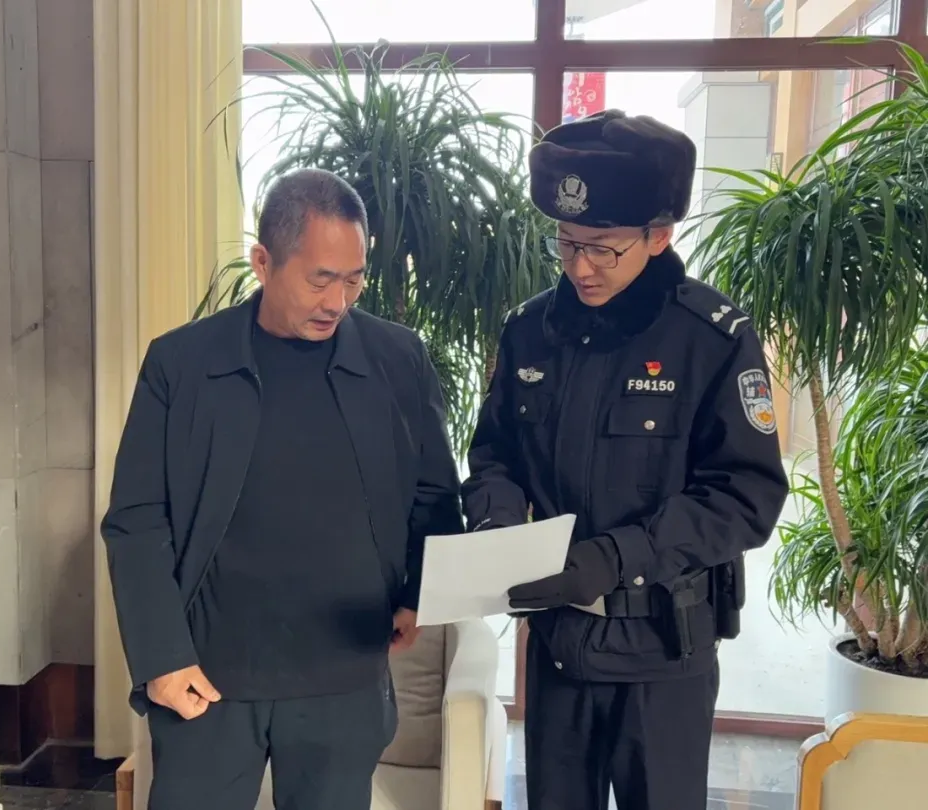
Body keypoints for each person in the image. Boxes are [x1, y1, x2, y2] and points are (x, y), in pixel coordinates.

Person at [101, 168, 464, 810]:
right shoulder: (182, 364)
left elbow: (434, 493)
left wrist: (418, 594)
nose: (337, 301)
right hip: (208, 676)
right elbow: (137, 520)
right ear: (263, 262)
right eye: (320, 279)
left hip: (343, 679)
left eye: (354, 279)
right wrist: (161, 659)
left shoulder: (398, 360)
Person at [461, 110, 789, 810]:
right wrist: (496, 527)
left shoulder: (711, 338)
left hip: (663, 653)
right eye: (565, 242)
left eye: (602, 249)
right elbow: (495, 454)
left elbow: (746, 496)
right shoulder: (531, 330)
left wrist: (615, 557)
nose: (580, 267)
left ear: (658, 235)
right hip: (559, 644)